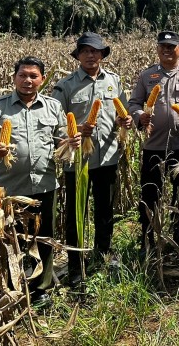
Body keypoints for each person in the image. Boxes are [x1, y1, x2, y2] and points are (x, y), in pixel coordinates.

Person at [0, 56, 79, 304]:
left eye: (34, 76)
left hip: (45, 183)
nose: (28, 80)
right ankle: (10, 285)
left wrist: (71, 143)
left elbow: (60, 141)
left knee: (43, 235)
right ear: (14, 78)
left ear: (43, 79)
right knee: (10, 238)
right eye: (23, 75)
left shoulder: (53, 107)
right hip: (8, 187)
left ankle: (41, 287)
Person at [52, 32, 132, 286]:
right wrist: (75, 131)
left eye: (95, 51)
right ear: (78, 55)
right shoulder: (65, 86)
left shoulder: (115, 82)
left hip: (107, 156)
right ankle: (76, 262)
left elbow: (124, 114)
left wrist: (125, 121)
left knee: (105, 210)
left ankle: (104, 253)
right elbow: (55, 125)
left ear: (102, 55)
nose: (90, 55)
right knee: (77, 213)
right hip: (77, 161)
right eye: (85, 51)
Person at [128, 30, 179, 255]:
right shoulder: (147, 76)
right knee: (150, 195)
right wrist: (138, 116)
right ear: (157, 49)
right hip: (153, 145)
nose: (166, 50)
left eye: (171, 46)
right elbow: (133, 103)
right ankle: (148, 240)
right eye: (162, 46)